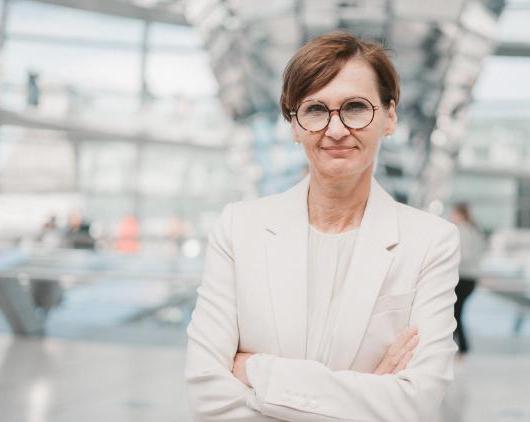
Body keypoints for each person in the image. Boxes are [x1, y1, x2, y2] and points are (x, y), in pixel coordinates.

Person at [185, 31, 460, 421]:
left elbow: (414, 403)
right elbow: (207, 395)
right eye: (315, 110)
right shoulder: (239, 229)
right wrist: (367, 395)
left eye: (355, 107)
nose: (335, 130)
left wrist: (259, 371)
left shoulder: (430, 242)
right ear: (295, 125)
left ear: (389, 117)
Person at [450, 203, 486, 355]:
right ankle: (458, 347)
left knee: (454, 314)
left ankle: (460, 348)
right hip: (471, 278)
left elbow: (463, 255)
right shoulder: (474, 230)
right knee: (456, 313)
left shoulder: (461, 230)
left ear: (460, 214)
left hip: (463, 277)